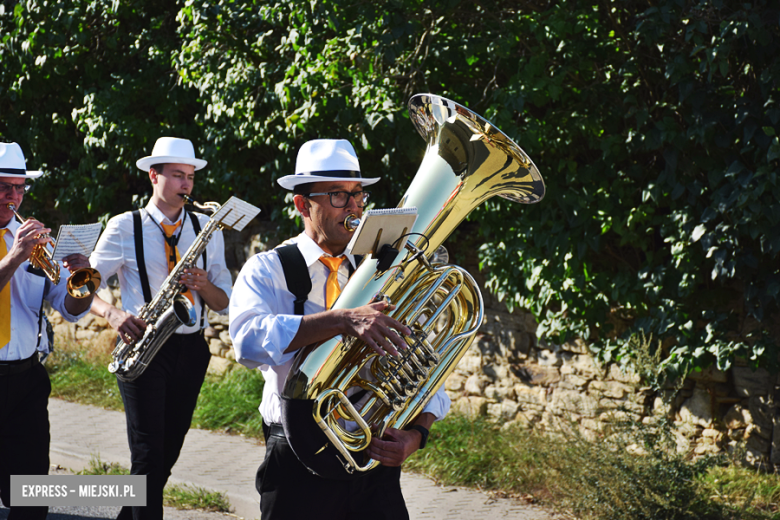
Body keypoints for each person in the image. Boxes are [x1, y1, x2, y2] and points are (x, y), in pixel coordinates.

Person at [229, 139, 450, 520]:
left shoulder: (382, 271)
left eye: (358, 195)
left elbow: (423, 367)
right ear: (303, 204)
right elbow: (247, 342)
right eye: (337, 196)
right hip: (298, 459)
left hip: (371, 457)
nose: (353, 208)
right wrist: (341, 320)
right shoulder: (268, 269)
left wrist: (417, 435)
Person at [88, 137, 232, 520]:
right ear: (154, 176)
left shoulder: (207, 227)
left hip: (191, 349)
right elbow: (87, 285)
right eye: (177, 176)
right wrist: (113, 314)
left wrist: (204, 285)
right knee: (149, 454)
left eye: (190, 177)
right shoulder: (124, 226)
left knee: (166, 454)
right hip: (145, 349)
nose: (187, 185)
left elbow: (224, 301)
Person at [0, 142, 95, 519]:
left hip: (25, 380)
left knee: (31, 498)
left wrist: (83, 279)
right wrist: (13, 257)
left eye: (20, 187)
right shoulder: (21, 247)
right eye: (4, 187)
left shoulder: (38, 242)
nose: (14, 197)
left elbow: (71, 310)